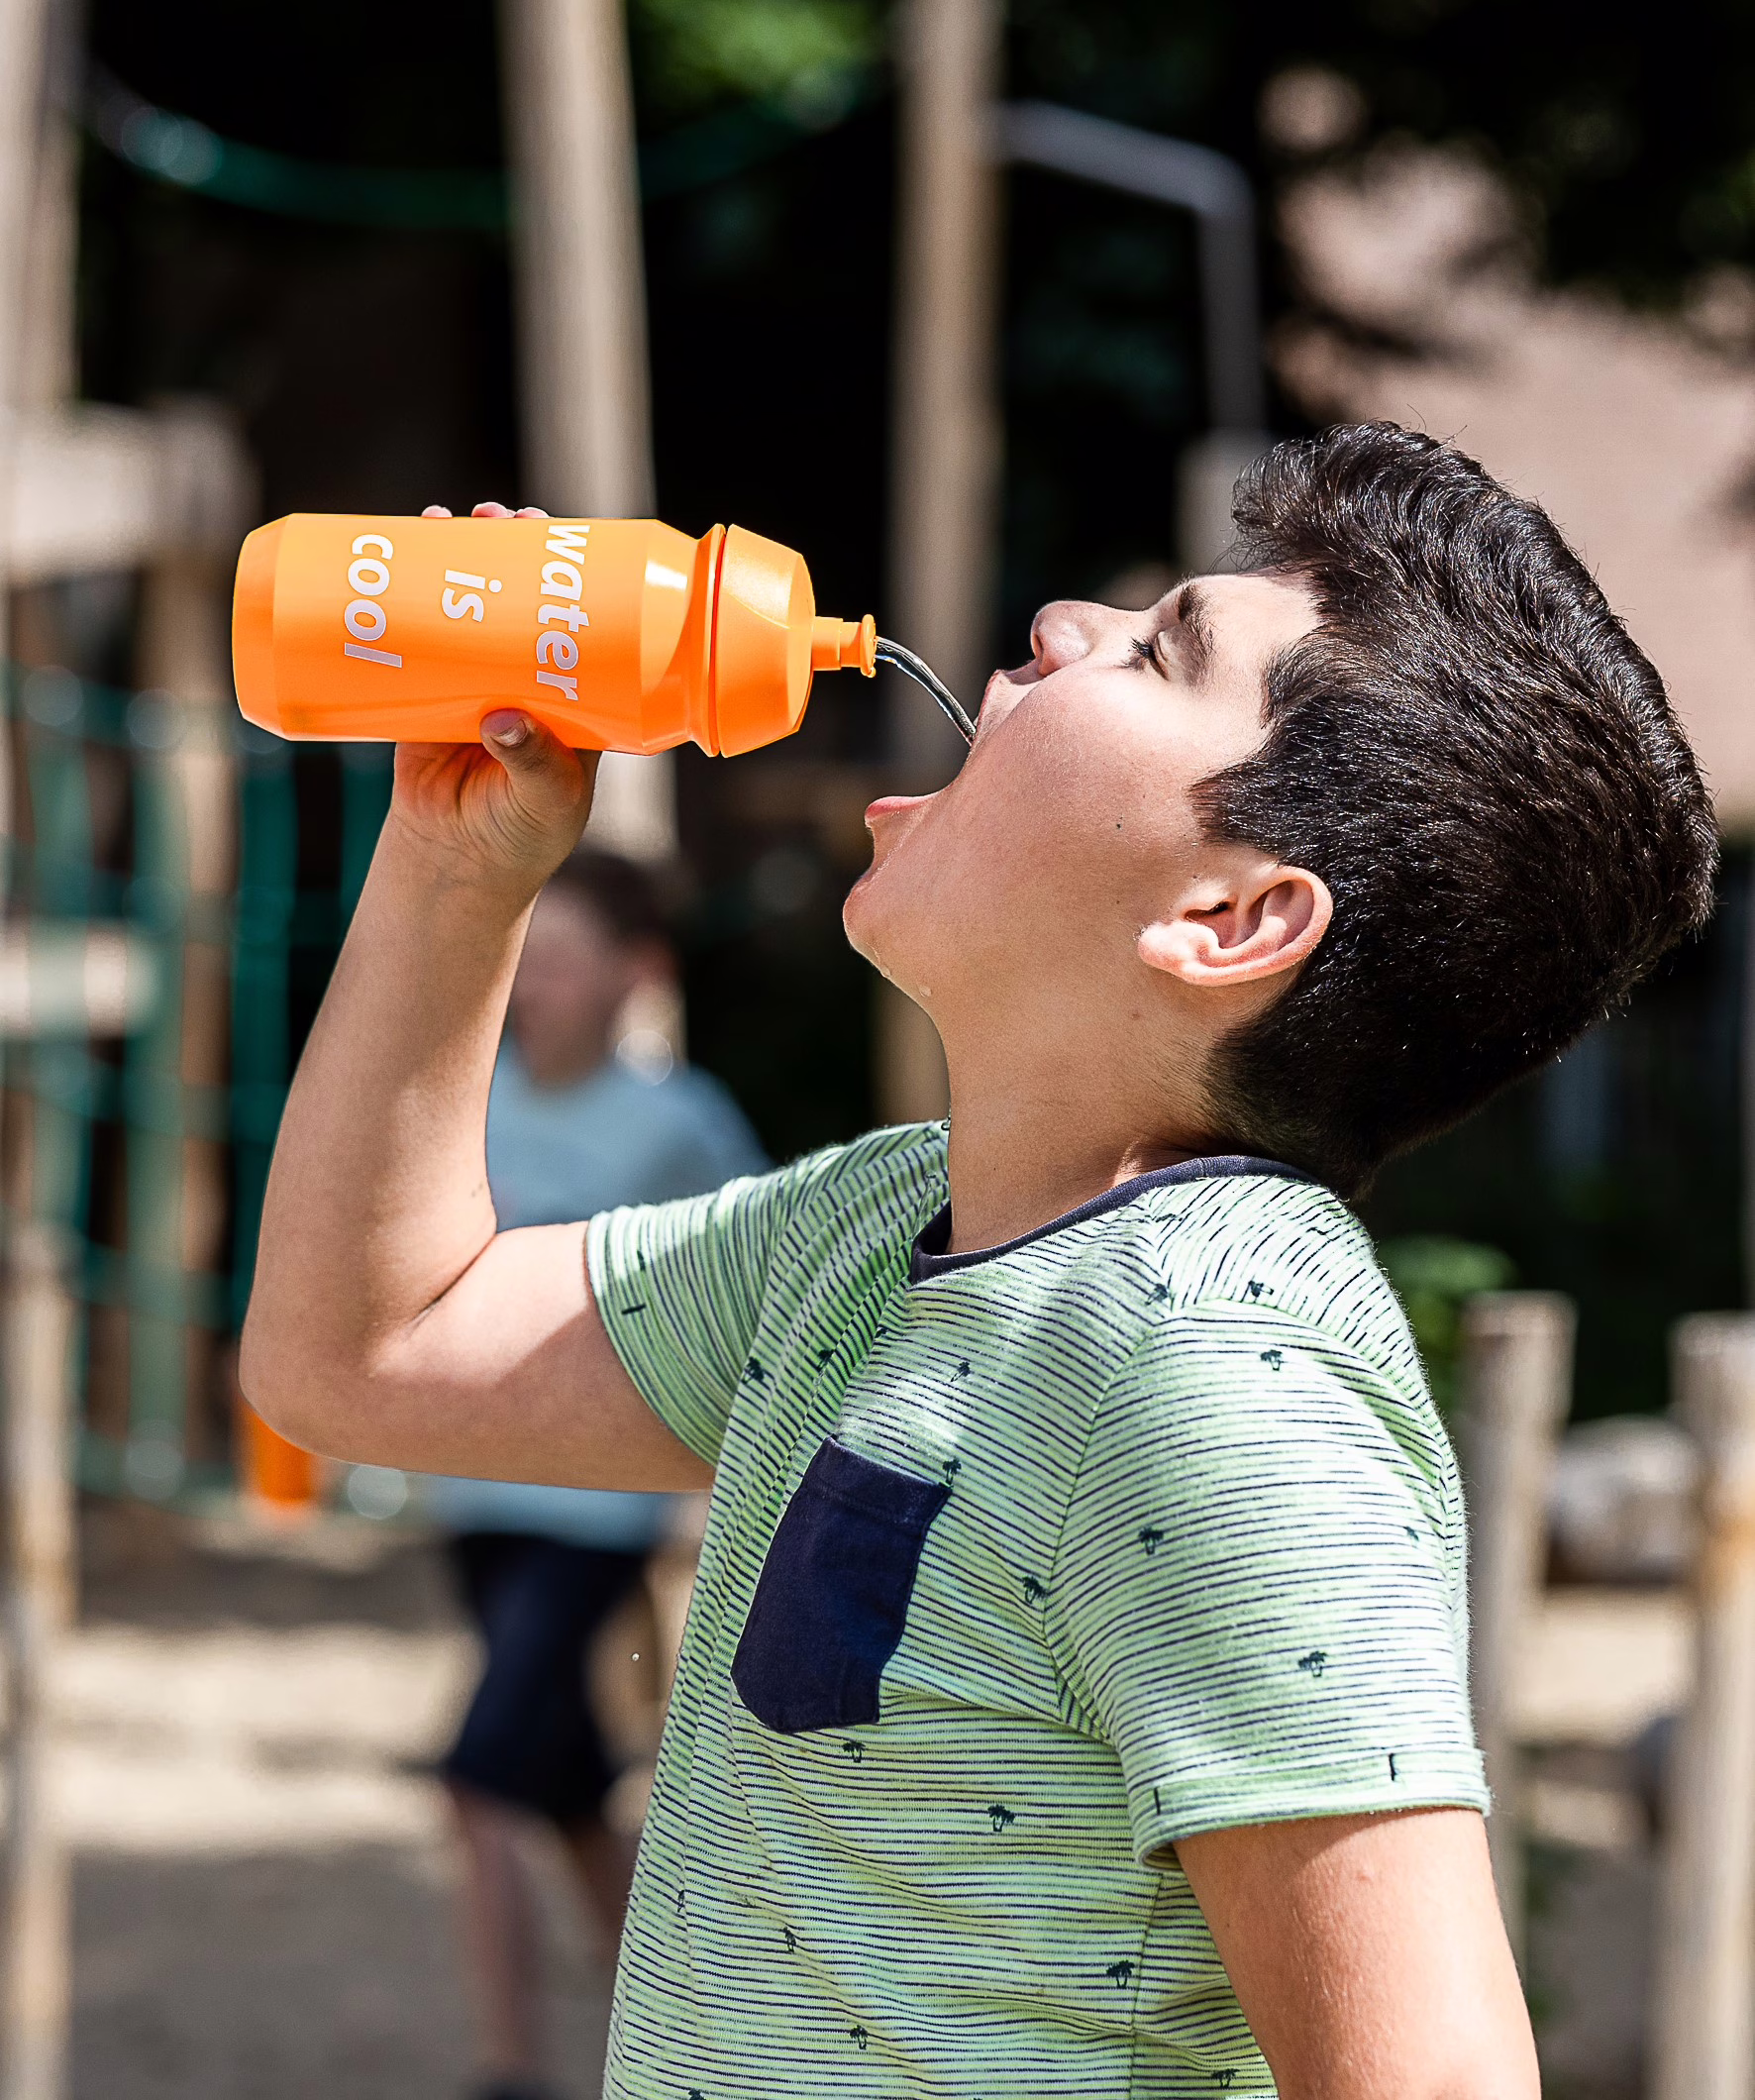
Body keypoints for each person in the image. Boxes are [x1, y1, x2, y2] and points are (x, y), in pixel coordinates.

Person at [243, 430, 1715, 2099]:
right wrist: (459, 865)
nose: (1059, 619)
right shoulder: (871, 1231)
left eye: (1160, 649)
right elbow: (362, 1352)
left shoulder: (1217, 1372)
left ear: (1230, 917)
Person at [425, 848, 765, 2100]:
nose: (538, 987)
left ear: (636, 975)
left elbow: (767, 1309)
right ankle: (670, 2048)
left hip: (599, 1514)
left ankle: (506, 2067)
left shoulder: (687, 1123)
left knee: (474, 1780)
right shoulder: (467, 1101)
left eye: (564, 961)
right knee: (568, 1797)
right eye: (531, 962)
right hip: (472, 1498)